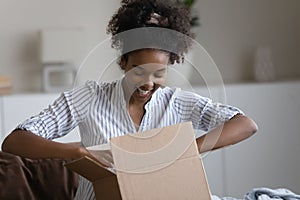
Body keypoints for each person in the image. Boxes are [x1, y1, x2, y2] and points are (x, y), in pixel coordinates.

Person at [1, 0, 258, 199]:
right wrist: (78, 151)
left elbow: (245, 124)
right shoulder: (89, 98)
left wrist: (187, 151)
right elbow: (14, 142)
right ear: (123, 62)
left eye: (159, 73)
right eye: (138, 71)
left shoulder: (177, 101)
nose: (148, 83)